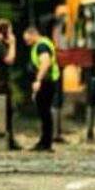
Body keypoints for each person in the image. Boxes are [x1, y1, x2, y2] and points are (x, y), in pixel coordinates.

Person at [25, 20, 61, 152]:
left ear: (33, 34)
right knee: (44, 113)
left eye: (27, 38)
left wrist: (38, 80)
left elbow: (45, 63)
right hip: (47, 81)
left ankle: (46, 143)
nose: (27, 42)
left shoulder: (41, 46)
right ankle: (44, 141)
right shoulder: (42, 44)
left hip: (46, 82)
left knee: (45, 113)